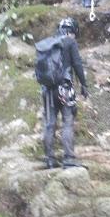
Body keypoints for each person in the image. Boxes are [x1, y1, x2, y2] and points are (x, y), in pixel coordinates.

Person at [37, 17, 88, 168]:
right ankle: (69, 158)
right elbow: (77, 64)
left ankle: (50, 159)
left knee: (50, 124)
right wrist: (84, 85)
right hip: (64, 89)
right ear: (73, 31)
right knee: (67, 122)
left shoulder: (49, 43)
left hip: (47, 90)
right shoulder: (70, 42)